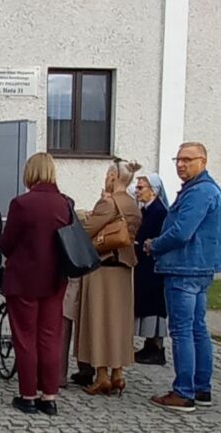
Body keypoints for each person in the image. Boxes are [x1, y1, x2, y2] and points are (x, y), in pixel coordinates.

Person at [146, 142, 221, 413]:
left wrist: (154, 245)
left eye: (188, 160)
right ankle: (201, 387)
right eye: (178, 159)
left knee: (182, 331)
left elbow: (181, 232)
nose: (181, 164)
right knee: (196, 328)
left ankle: (184, 392)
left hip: (185, 268)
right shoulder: (203, 189)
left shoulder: (199, 192)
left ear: (203, 161)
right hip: (198, 267)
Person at [0, 152, 72, 417]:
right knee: (50, 337)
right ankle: (49, 396)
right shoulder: (66, 203)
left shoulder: (21, 204)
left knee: (25, 337)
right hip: (55, 279)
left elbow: (7, 244)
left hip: (24, 279)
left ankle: (27, 395)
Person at [76, 160, 143, 397]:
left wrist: (87, 215)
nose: (105, 177)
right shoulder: (133, 204)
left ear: (114, 177)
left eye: (107, 174)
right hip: (124, 267)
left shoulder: (108, 201)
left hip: (103, 267)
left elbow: (87, 231)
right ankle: (118, 373)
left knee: (100, 319)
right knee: (119, 322)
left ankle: (102, 375)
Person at [134, 173, 170, 365]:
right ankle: (149, 345)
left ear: (153, 191)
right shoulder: (148, 209)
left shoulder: (159, 211)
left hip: (153, 266)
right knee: (147, 303)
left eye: (141, 188)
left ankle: (156, 347)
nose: (137, 192)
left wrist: (140, 244)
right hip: (145, 264)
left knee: (154, 306)